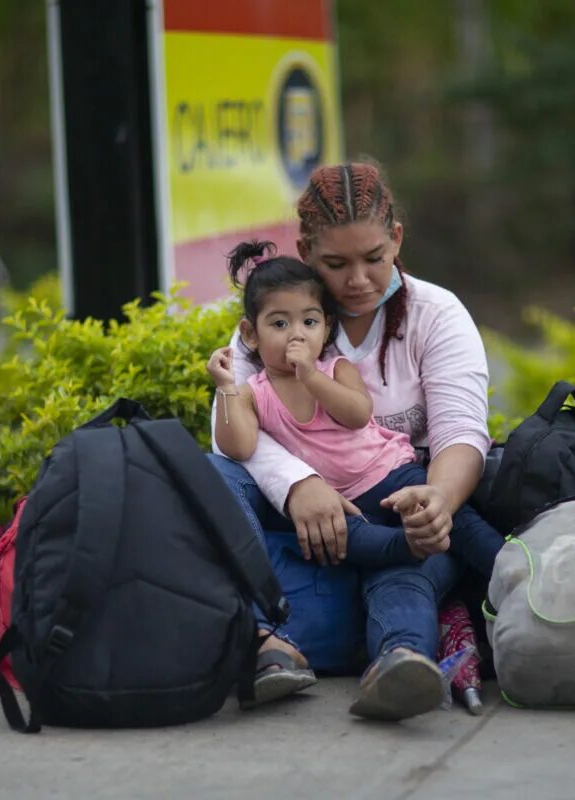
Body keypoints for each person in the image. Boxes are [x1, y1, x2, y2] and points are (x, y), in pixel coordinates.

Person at [208, 162, 503, 721]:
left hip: (399, 509)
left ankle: (401, 661)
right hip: (306, 520)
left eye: (373, 258)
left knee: (402, 569)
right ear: (305, 251)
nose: (358, 280)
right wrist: (300, 486)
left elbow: (461, 433)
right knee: (212, 474)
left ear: (396, 238)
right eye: (335, 264)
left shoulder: (434, 316)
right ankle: (264, 640)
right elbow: (233, 443)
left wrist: (437, 502)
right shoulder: (280, 313)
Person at [207, 240, 501, 572]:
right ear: (250, 333)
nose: (296, 335)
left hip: (391, 472)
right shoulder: (250, 392)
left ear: (326, 325)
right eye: (279, 324)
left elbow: (358, 415)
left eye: (309, 322)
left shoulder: (334, 368)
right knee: (349, 540)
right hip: (342, 499)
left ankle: (511, 566)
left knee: (461, 525)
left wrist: (310, 377)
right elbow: (238, 448)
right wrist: (226, 388)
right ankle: (408, 548)